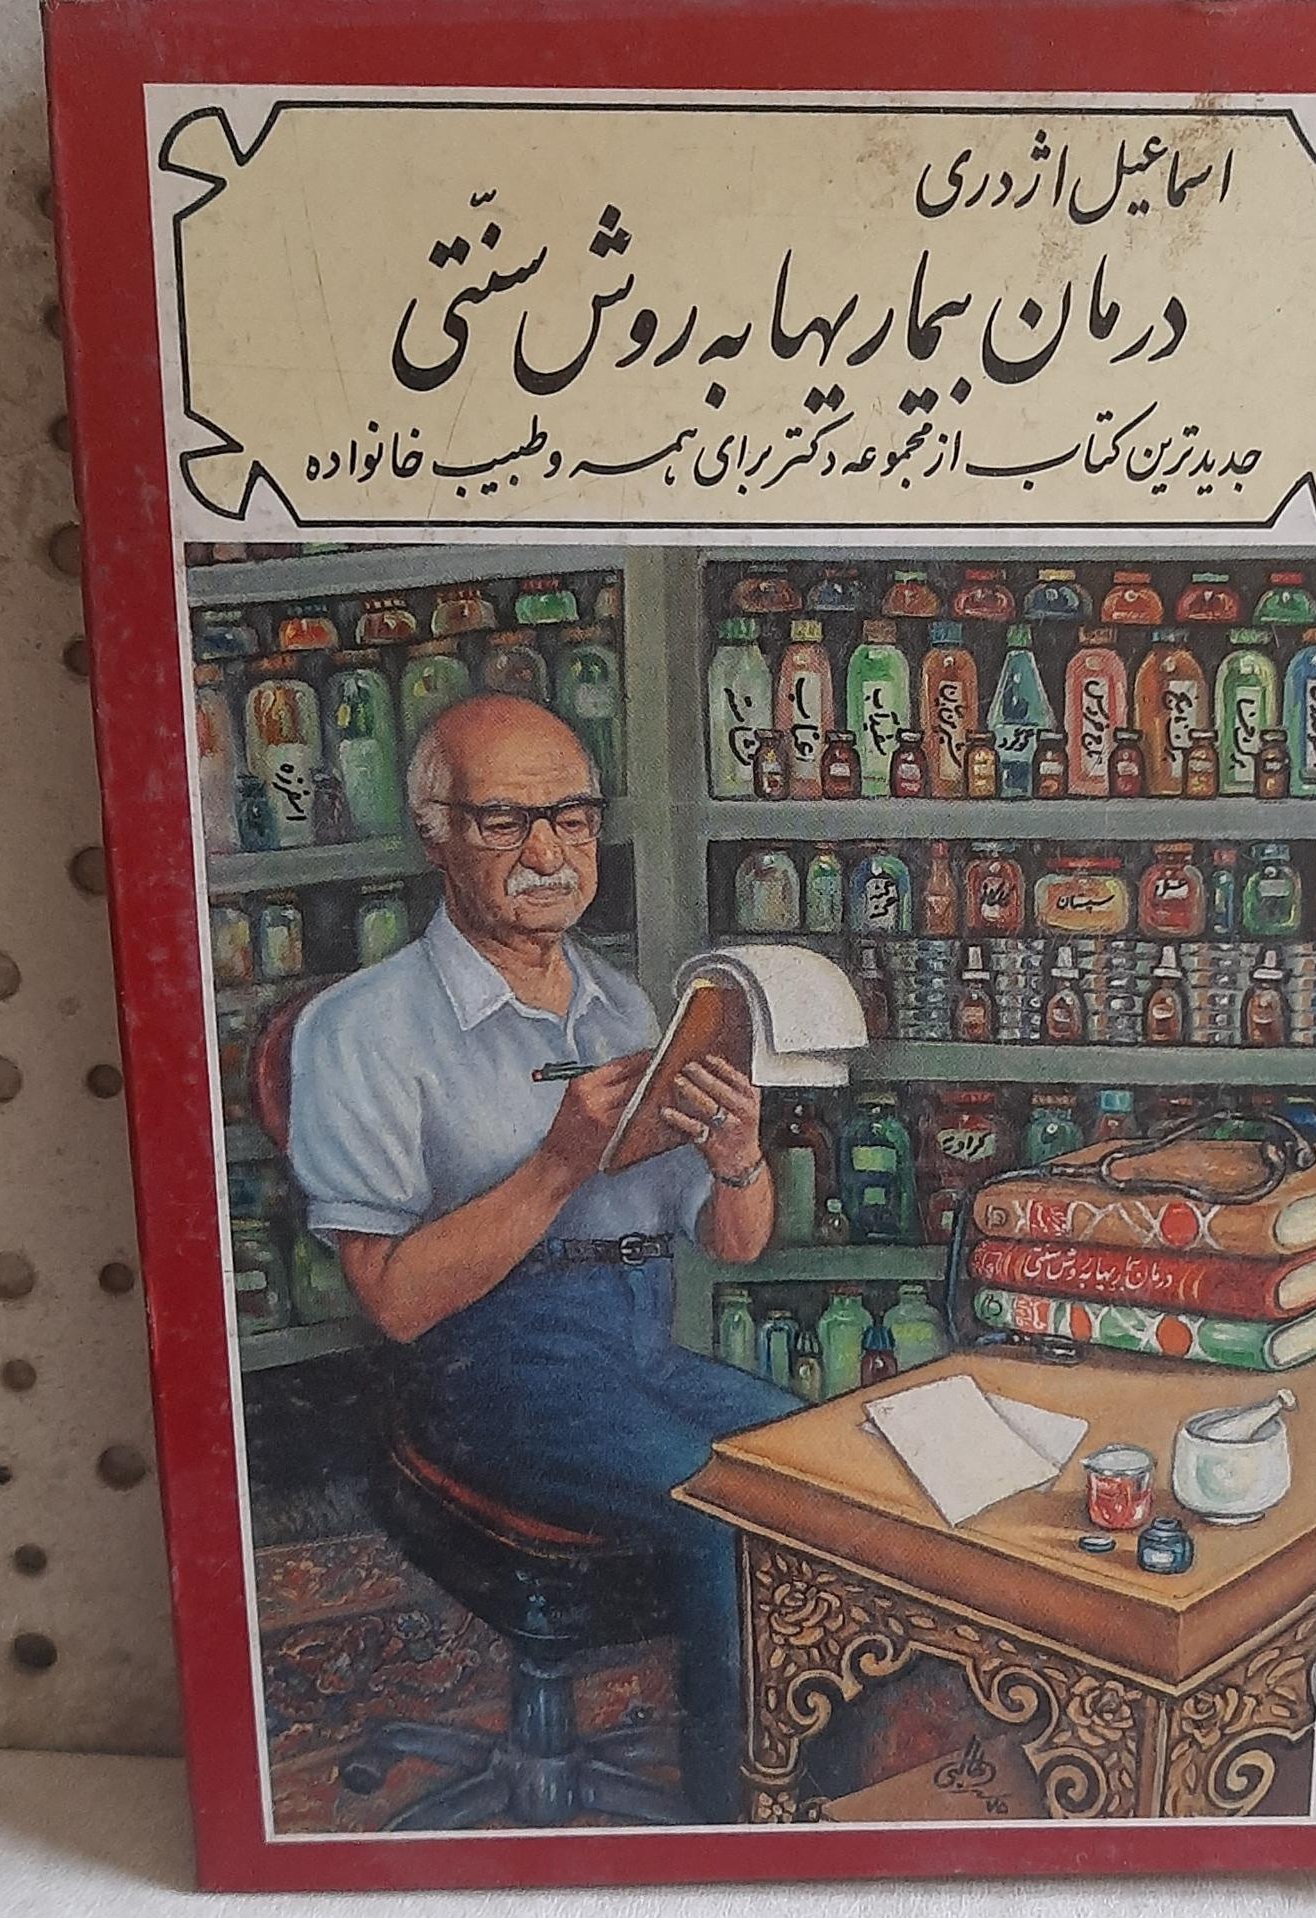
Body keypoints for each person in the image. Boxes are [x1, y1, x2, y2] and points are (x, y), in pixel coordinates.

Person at [287, 692, 799, 1822]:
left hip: (633, 1345)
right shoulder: (360, 1029)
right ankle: (734, 1823)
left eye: (572, 818)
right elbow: (392, 1302)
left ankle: (812, 1782)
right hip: (480, 1373)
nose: (548, 853)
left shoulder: (625, 1007)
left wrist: (738, 1158)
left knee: (823, 1471)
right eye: (505, 821)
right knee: (727, 1513)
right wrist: (559, 1161)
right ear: (434, 834)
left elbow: (731, 1246)